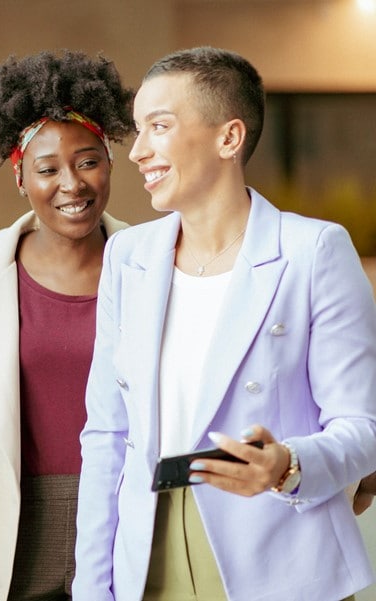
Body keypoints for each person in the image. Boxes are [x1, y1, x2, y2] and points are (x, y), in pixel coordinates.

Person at [74, 46, 376, 601]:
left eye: (158, 127)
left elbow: (363, 427)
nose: (138, 151)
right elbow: (107, 434)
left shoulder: (313, 251)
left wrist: (287, 465)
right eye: (137, 130)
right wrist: (92, 586)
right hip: (149, 554)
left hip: (282, 551)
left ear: (228, 138)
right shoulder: (128, 256)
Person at [0, 50, 133, 601]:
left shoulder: (152, 263)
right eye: (47, 168)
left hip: (121, 515)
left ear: (109, 161)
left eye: (88, 161)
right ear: (19, 176)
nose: (72, 184)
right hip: (4, 522)